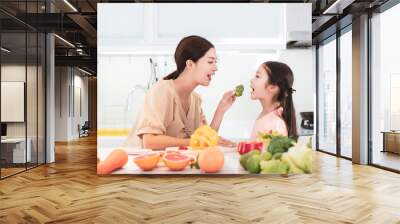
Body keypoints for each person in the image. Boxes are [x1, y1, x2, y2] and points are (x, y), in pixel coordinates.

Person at [124, 35, 236, 150]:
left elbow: (205, 138)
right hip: (134, 163)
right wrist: (192, 142)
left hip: (164, 164)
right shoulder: (162, 91)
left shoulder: (195, 99)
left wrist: (221, 110)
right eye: (210, 62)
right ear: (190, 64)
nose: (215, 67)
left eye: (215, 62)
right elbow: (150, 141)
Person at [249, 61, 297, 139]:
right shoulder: (266, 115)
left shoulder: (276, 124)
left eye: (257, 76)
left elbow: (275, 151)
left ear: (272, 87)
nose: (251, 80)